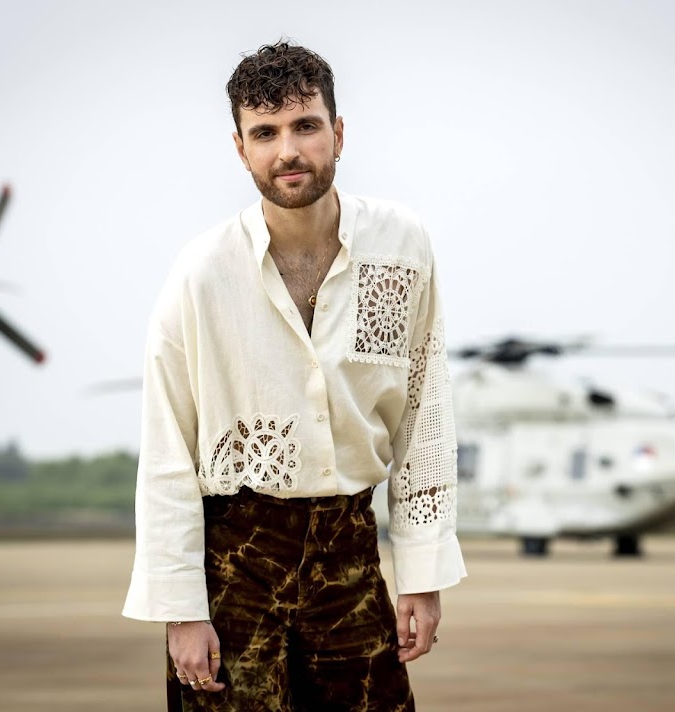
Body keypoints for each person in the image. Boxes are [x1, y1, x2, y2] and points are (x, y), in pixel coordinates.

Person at [122, 40, 466, 711]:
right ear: (240, 147)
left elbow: (423, 411)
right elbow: (167, 451)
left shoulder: (401, 245)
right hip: (237, 560)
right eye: (265, 133)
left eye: (306, 126)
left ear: (338, 132)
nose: (288, 151)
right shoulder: (201, 273)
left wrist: (422, 573)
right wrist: (181, 609)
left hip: (351, 554)